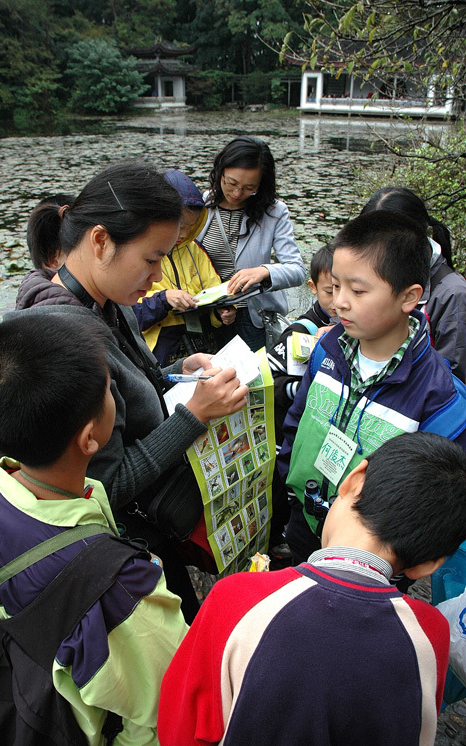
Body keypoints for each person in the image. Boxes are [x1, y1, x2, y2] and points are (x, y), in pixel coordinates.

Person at [13, 161, 249, 622]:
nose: (159, 277)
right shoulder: (64, 341)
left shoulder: (101, 298)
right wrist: (194, 416)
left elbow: (130, 383)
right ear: (100, 241)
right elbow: (105, 485)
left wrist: (178, 370)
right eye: (151, 259)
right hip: (119, 542)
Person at [158, 432, 466, 746]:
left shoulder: (236, 598)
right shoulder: (430, 635)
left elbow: (179, 731)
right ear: (428, 565)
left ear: (354, 479)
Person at [0, 313, 188, 746]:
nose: (115, 393)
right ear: (91, 438)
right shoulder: (121, 591)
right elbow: (162, 715)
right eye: (110, 388)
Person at [277, 210, 466, 566]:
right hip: (307, 515)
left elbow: (436, 499)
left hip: (372, 552)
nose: (339, 302)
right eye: (334, 287)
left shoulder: (439, 399)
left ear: (408, 297)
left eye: (358, 290)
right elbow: (297, 419)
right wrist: (290, 481)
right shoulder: (327, 349)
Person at [196, 136, 306, 351]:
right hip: (205, 315)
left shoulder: (273, 212)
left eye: (249, 188)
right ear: (220, 172)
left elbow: (297, 270)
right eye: (232, 183)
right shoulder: (201, 204)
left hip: (250, 318)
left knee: (253, 382)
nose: (237, 194)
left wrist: (263, 271)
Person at [360, 186, 466, 381]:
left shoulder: (452, 295)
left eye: (385, 247)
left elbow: (453, 380)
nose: (375, 257)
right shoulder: (377, 272)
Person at [137, 169, 236, 366]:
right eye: (179, 226)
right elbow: (129, 315)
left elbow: (215, 290)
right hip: (160, 347)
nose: (184, 233)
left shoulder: (196, 250)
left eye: (191, 226)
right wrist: (164, 300)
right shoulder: (139, 251)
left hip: (200, 340)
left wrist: (223, 312)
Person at [267, 244, 337, 446]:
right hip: (291, 433)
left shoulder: (357, 328)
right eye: (329, 291)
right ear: (313, 287)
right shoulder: (301, 331)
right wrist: (302, 389)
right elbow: (268, 380)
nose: (338, 301)